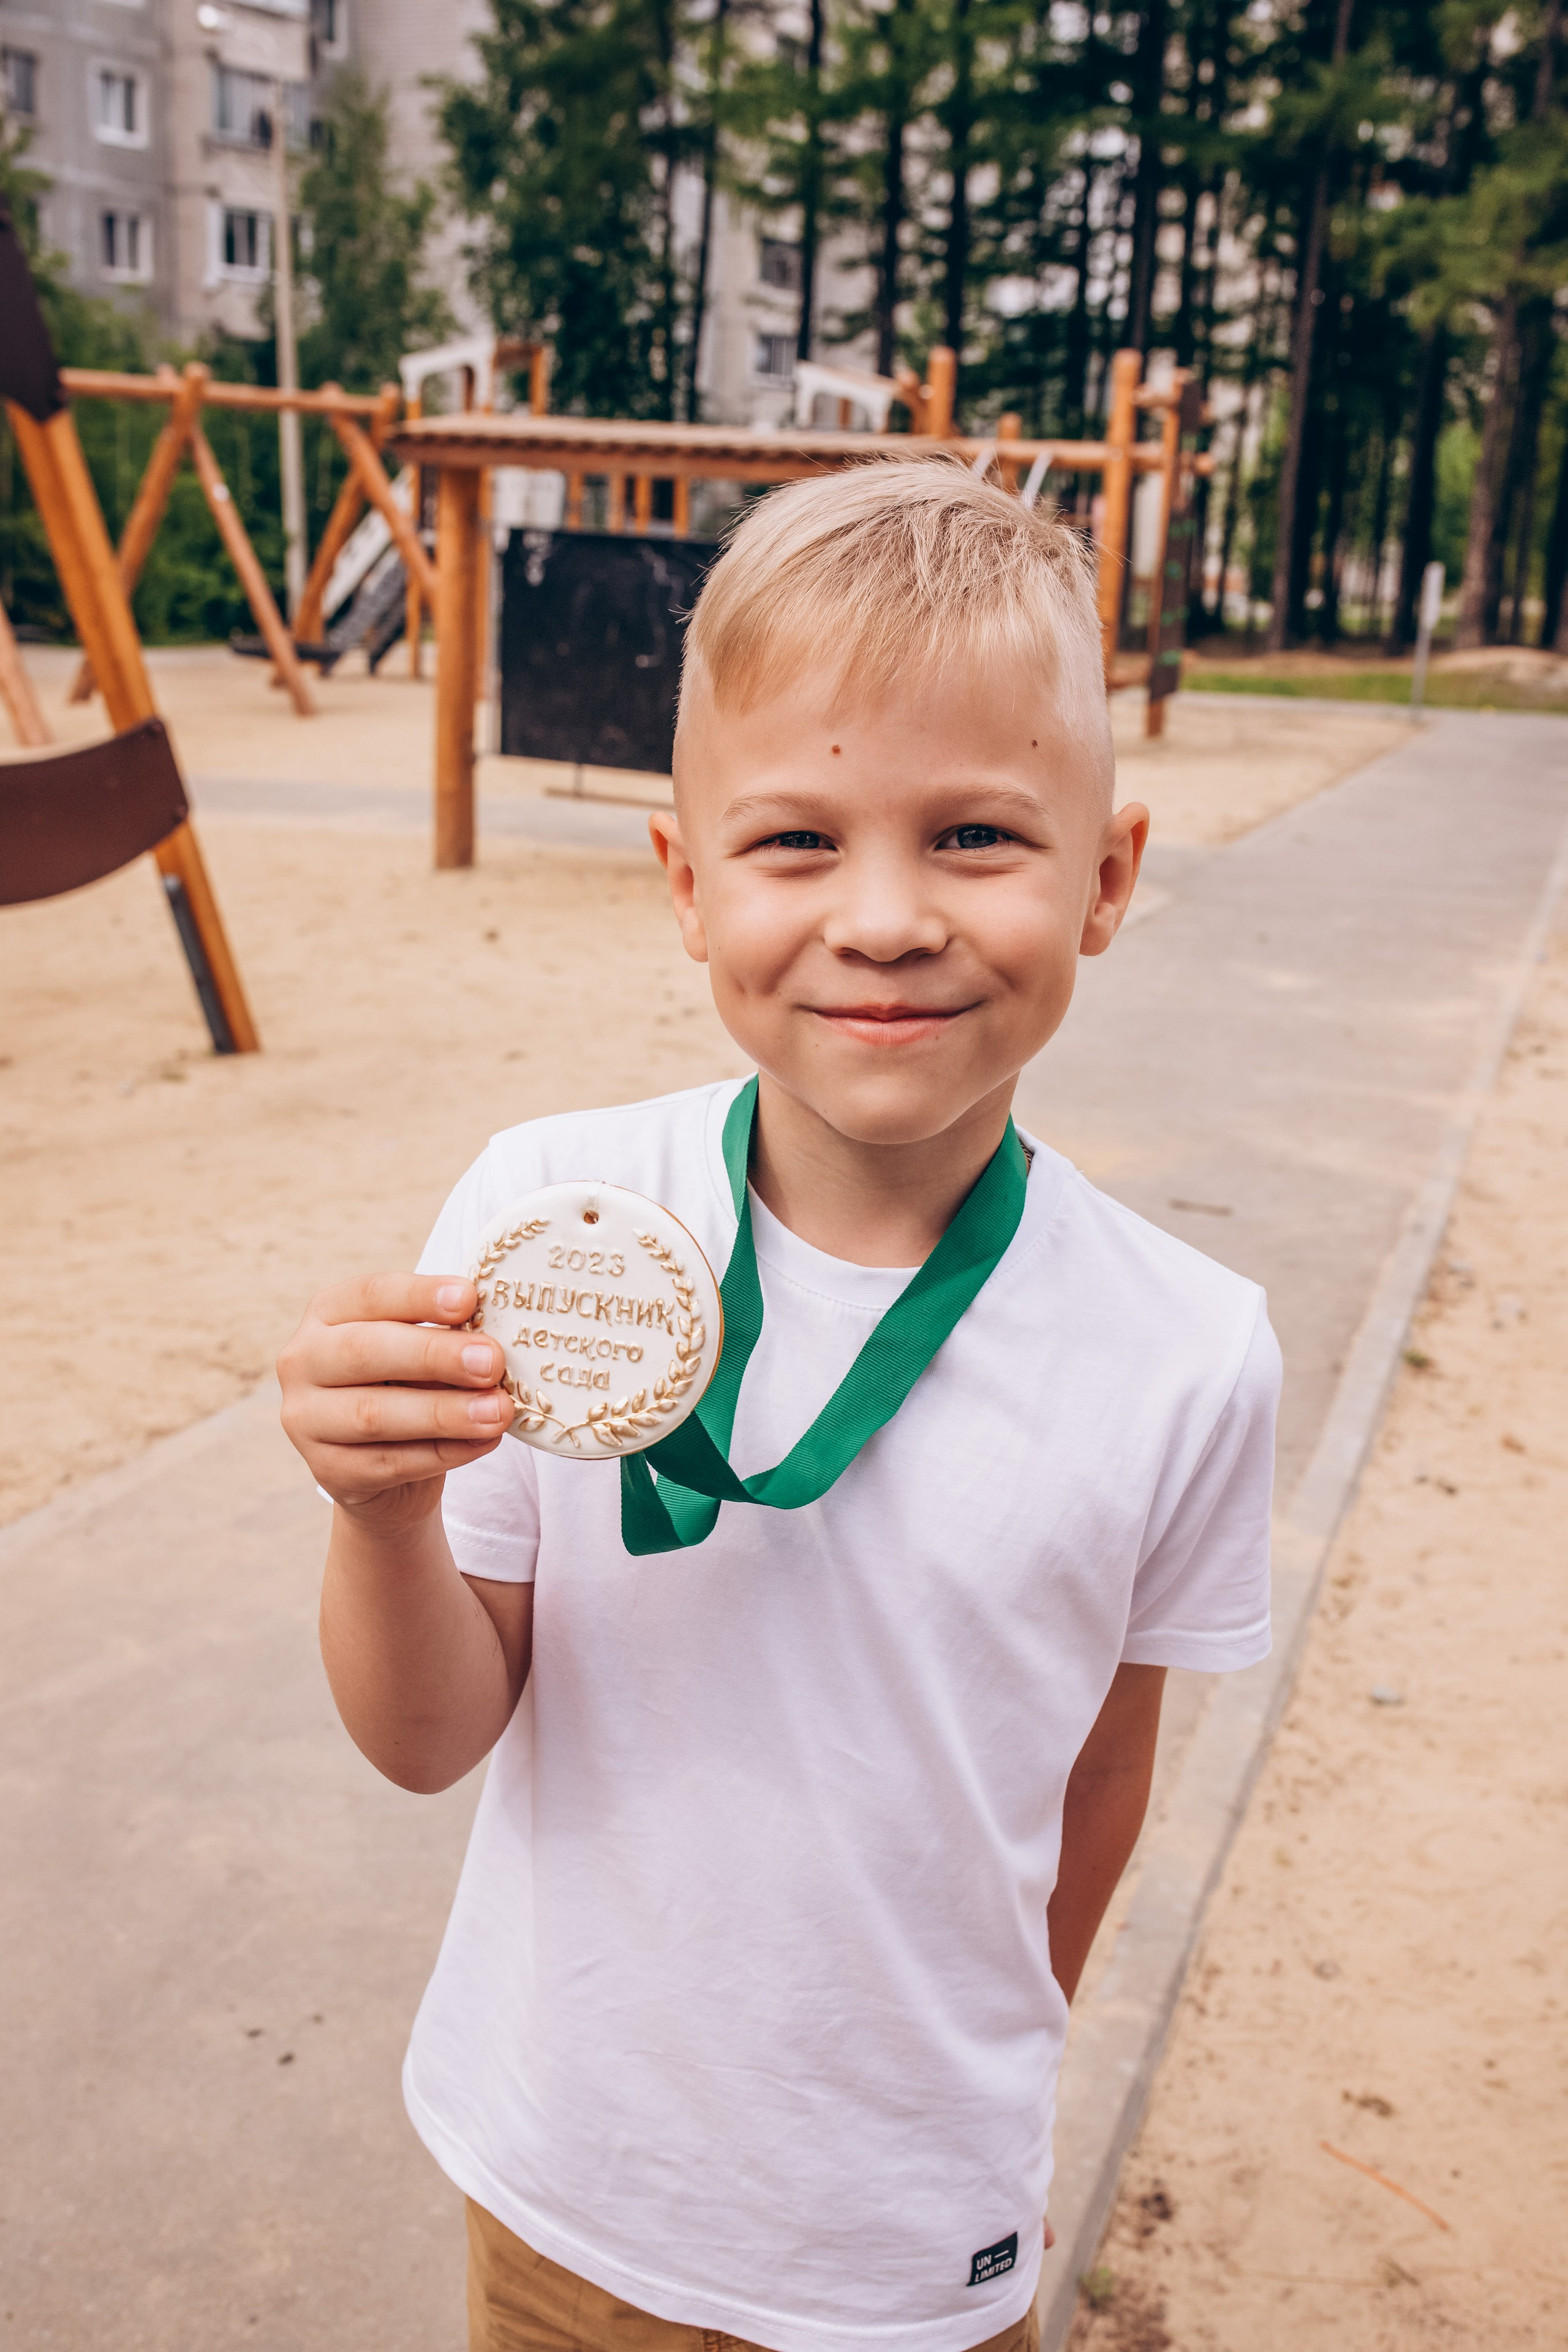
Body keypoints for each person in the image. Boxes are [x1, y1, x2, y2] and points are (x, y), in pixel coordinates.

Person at [279, 460, 1278, 2352]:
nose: (886, 917)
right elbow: (428, 1740)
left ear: (1110, 881)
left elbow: (1100, 1769)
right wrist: (383, 1511)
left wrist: (989, 2079)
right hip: (570, 2183)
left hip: (911, 2238)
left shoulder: (1187, 1349)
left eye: (978, 835)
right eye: (797, 841)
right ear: (684, 882)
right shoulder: (536, 1220)